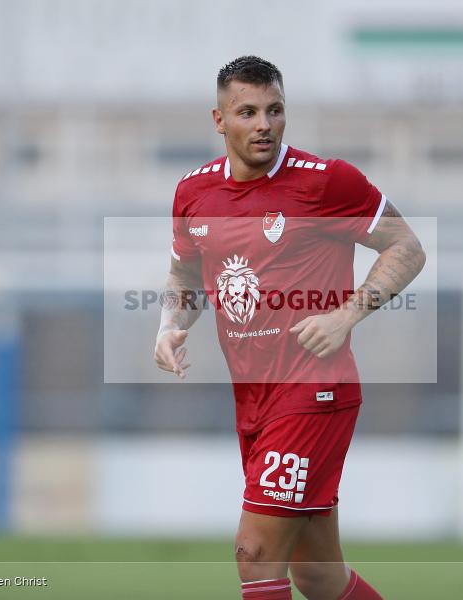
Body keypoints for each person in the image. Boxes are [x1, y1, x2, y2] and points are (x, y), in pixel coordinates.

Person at [154, 56, 425, 600]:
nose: (264, 124)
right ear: (219, 120)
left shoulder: (327, 183)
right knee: (319, 575)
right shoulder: (193, 193)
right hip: (254, 399)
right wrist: (170, 323)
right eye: (248, 112)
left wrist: (347, 314)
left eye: (275, 111)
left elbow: (407, 246)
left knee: (255, 554)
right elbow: (186, 270)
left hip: (313, 393)